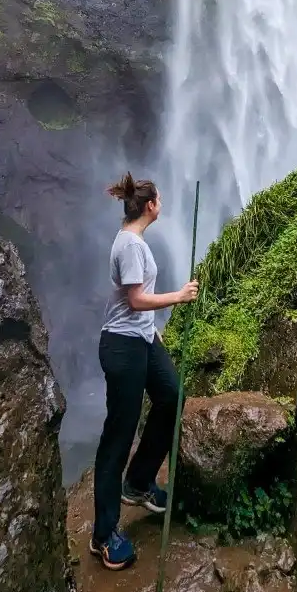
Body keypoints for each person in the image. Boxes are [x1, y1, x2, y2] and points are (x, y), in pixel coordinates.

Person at [90, 172, 199, 571]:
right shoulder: (130, 245)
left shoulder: (134, 241)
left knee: (171, 394)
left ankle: (137, 483)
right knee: (118, 435)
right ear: (150, 205)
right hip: (122, 345)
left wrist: (156, 339)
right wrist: (180, 296)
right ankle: (102, 535)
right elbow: (135, 301)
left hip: (143, 339)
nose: (163, 204)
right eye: (161, 199)